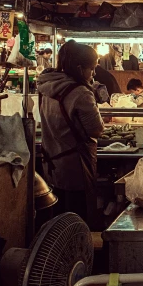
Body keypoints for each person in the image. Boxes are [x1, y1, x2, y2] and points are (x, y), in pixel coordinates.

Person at [37, 40, 104, 226]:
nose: (93, 74)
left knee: (57, 219)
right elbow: (96, 130)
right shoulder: (80, 93)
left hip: (51, 163)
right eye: (92, 69)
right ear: (80, 68)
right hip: (75, 166)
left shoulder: (46, 86)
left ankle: (58, 254)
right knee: (77, 219)